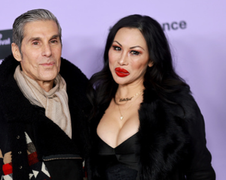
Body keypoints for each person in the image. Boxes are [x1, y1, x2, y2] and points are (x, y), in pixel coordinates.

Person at [0, 9, 90, 180]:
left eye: (53, 41)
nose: (47, 52)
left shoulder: (87, 109)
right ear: (17, 52)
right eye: (36, 43)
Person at [87, 14, 215, 180]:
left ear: (151, 59)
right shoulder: (93, 104)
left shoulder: (176, 105)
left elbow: (200, 172)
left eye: (134, 52)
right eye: (117, 48)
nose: (122, 60)